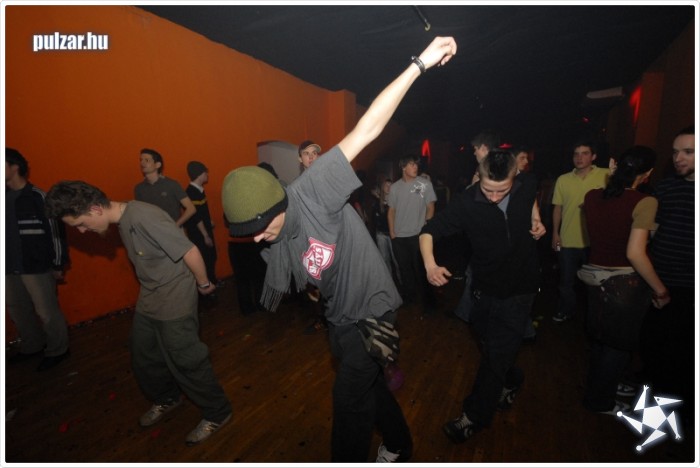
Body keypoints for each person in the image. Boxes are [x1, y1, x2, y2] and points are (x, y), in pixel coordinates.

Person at [222, 36, 458, 462]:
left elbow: (367, 129)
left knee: (348, 400)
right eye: (248, 235)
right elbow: (309, 266)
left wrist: (420, 63)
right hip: (339, 315)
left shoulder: (313, 189)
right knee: (369, 386)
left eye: (261, 229)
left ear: (280, 205)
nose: (257, 239)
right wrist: (316, 289)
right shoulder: (272, 237)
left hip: (372, 306)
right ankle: (400, 444)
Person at [45, 181, 232, 446]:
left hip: (175, 295)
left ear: (95, 209)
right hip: (150, 295)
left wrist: (203, 284)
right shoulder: (123, 219)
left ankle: (217, 412)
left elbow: (190, 250)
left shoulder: (145, 215)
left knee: (186, 359)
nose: (83, 231)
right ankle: (168, 398)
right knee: (144, 354)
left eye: (81, 224)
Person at [419, 149, 544, 443]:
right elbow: (429, 231)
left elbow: (531, 197)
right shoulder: (466, 203)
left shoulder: (526, 184)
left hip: (521, 288)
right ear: (479, 176)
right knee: (489, 345)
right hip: (485, 288)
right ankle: (512, 378)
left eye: (503, 190)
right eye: (488, 190)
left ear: (514, 178)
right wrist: (430, 265)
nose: (495, 197)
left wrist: (536, 218)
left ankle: (473, 416)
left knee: (496, 355)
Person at [579, 146, 669, 415]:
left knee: (600, 341)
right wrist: (660, 290)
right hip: (624, 285)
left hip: (593, 279)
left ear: (615, 166)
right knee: (617, 347)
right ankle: (600, 401)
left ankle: (601, 389)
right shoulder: (644, 202)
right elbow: (635, 253)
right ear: (648, 173)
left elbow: (597, 235)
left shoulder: (591, 196)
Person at [640, 125, 695, 438]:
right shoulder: (666, 188)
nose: (678, 158)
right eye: (675, 152)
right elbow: (652, 233)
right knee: (655, 351)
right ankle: (657, 420)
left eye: (688, 152)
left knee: (684, 356)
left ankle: (681, 419)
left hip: (690, 289)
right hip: (660, 283)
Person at [5, 148, 71, 371]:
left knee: (46, 311)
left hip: (36, 265)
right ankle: (32, 345)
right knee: (17, 309)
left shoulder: (37, 197)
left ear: (15, 167)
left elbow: (56, 232)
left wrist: (58, 263)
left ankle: (58, 349)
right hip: (9, 266)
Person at [551, 139, 609, 322]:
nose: (579, 157)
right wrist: (555, 233)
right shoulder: (563, 179)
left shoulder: (606, 175)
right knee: (565, 282)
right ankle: (566, 310)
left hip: (595, 241)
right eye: (576, 154)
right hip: (567, 240)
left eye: (585, 153)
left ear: (594, 156)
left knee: (595, 283)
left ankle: (595, 317)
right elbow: (558, 208)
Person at [387, 154, 437, 314]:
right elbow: (391, 211)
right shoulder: (395, 188)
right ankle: (410, 299)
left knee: (422, 270)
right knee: (405, 271)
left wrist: (426, 228)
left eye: (416, 164)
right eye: (411, 164)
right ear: (403, 167)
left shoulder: (424, 184)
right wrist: (392, 233)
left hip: (418, 235)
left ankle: (429, 303)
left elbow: (430, 207)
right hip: (399, 237)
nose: (415, 167)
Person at [134, 148, 196, 228]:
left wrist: (175, 226)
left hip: (172, 231)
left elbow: (191, 208)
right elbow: (140, 212)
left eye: (147, 160)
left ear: (157, 165)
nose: (142, 163)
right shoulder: (139, 188)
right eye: (141, 160)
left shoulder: (172, 184)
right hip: (151, 231)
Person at [183, 161, 219, 294]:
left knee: (211, 257)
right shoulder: (192, 192)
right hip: (199, 234)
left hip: (204, 230)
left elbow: (201, 212)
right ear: (199, 174)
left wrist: (208, 221)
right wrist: (205, 235)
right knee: (205, 259)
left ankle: (212, 283)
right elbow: (196, 217)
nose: (207, 175)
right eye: (205, 172)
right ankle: (207, 288)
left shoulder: (199, 190)